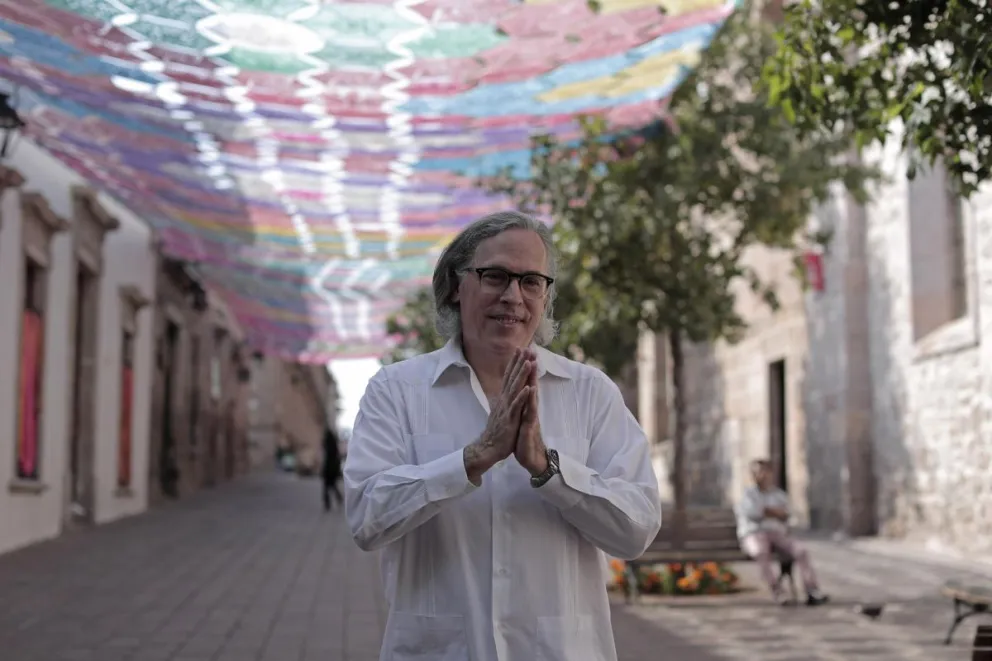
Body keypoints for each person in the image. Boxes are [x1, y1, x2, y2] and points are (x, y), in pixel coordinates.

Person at [344, 210, 662, 661]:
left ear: (545, 296)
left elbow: (636, 530)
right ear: (456, 285)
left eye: (531, 281)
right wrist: (471, 460)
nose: (513, 296)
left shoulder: (590, 392)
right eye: (494, 276)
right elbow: (365, 518)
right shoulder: (397, 390)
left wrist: (548, 470)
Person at [736, 458, 829, 606]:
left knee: (801, 551)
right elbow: (754, 513)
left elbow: (787, 515)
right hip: (755, 533)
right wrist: (774, 512)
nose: (763, 475)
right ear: (753, 475)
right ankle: (777, 591)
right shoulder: (748, 494)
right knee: (760, 552)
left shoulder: (778, 494)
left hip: (777, 533)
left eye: (765, 471)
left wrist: (770, 512)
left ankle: (812, 590)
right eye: (758, 472)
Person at [321, 426, 343, 511]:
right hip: (332, 469)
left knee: (327, 487)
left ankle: (328, 502)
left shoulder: (329, 448)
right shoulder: (334, 447)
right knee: (332, 486)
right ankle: (337, 498)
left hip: (329, 470)